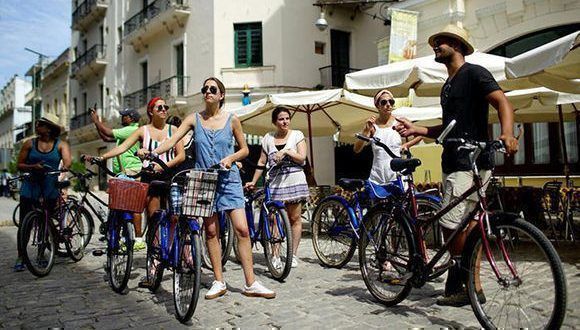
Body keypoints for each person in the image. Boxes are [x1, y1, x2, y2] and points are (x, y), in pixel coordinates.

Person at [393, 24, 518, 307]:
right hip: (455, 161)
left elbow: (502, 102)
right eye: (435, 42)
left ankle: (464, 282)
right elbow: (448, 128)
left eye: (442, 41)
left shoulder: (474, 73)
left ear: (458, 45)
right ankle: (466, 283)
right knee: (461, 227)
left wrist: (507, 133)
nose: (436, 46)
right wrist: (419, 129)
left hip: (474, 162)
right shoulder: (447, 86)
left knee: (459, 228)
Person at [144, 77, 275, 299]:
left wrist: (231, 158)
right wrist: (154, 153)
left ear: (221, 95)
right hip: (204, 180)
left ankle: (250, 283)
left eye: (212, 89)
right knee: (211, 231)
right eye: (204, 88)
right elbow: (172, 139)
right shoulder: (193, 119)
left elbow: (244, 150)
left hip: (229, 179)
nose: (208, 92)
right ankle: (219, 281)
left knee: (242, 229)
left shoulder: (232, 119)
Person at [85, 97, 185, 232]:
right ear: (151, 112)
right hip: (150, 177)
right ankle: (153, 249)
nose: (163, 110)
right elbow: (122, 147)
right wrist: (102, 157)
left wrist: (163, 166)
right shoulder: (143, 130)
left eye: (165, 107)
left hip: (171, 176)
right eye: (159, 107)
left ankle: (172, 249)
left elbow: (181, 156)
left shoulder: (173, 130)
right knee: (153, 217)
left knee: (174, 217)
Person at [245, 107, 310, 269]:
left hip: (294, 180)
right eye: (281, 119)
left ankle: (293, 254)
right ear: (275, 122)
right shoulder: (267, 138)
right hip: (275, 183)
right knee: (274, 219)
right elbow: (261, 162)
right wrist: (253, 181)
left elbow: (302, 158)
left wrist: (287, 151)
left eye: (287, 118)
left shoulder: (297, 135)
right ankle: (275, 255)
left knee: (294, 219)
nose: (285, 122)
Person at [14, 114, 71, 271]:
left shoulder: (61, 144)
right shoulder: (29, 144)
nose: (36, 126)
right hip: (31, 185)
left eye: (39, 124)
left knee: (45, 221)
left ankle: (41, 254)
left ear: (48, 129)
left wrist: (65, 166)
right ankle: (21, 256)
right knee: (25, 223)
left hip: (49, 185)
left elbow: (67, 160)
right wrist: (32, 167)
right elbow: (20, 164)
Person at [90, 107, 144, 242]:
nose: (122, 118)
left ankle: (137, 239)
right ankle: (124, 234)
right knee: (123, 205)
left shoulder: (131, 130)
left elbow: (107, 131)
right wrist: (97, 122)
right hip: (123, 172)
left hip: (132, 171)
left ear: (131, 118)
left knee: (133, 206)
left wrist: (96, 121)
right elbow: (105, 137)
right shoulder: (126, 133)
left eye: (124, 115)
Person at [353, 89, 421, 185]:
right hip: (378, 175)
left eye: (391, 102)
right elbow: (356, 149)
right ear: (377, 106)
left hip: (397, 172)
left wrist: (406, 145)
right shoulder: (373, 126)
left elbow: (420, 135)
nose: (388, 104)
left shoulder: (400, 121)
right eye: (384, 102)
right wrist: (365, 131)